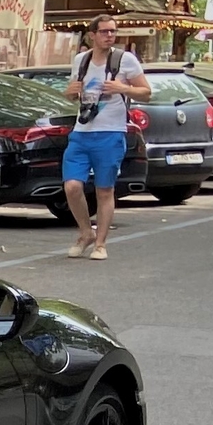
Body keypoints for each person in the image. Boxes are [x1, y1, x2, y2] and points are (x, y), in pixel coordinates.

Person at [61, 17, 150, 260]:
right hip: (81, 132)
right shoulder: (82, 60)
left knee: (104, 190)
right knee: (72, 186)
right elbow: (74, 94)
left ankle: (100, 243)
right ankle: (85, 232)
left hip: (111, 132)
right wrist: (69, 93)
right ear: (92, 35)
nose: (109, 36)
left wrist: (123, 89)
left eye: (113, 31)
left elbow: (146, 92)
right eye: (104, 32)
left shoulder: (124, 60)